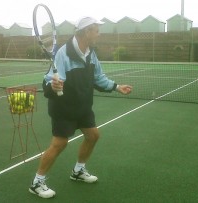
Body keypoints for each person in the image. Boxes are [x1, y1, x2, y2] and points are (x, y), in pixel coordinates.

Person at [29, 16, 132, 199]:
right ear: (86, 32)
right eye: (96, 31)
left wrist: (116, 87)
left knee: (93, 135)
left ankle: (78, 171)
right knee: (59, 144)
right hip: (63, 108)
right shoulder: (63, 54)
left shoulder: (91, 53)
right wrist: (53, 87)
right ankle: (37, 182)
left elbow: (98, 78)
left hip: (83, 106)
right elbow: (47, 82)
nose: (98, 35)